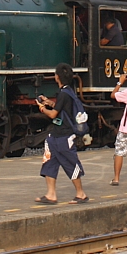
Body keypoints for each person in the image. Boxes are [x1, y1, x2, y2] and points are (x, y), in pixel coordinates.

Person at [35, 63, 90, 205]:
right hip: (55, 136)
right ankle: (50, 194)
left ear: (57, 77)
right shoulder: (67, 92)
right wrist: (49, 102)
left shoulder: (64, 94)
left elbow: (53, 115)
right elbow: (61, 109)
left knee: (71, 163)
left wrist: (42, 108)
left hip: (65, 136)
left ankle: (81, 193)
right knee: (49, 162)